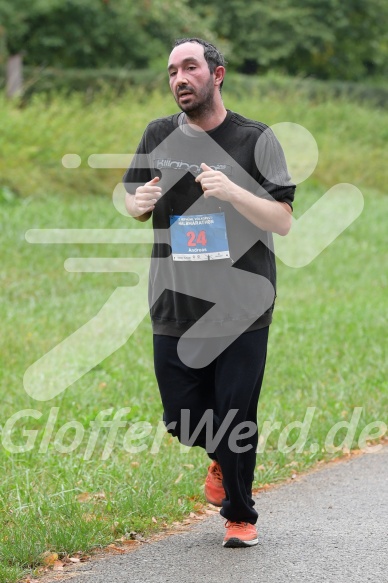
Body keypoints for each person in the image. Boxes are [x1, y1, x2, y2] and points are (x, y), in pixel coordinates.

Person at [124, 38, 295, 548]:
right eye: (173, 70)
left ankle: (240, 516)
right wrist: (139, 203)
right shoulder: (158, 134)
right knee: (181, 417)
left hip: (243, 306)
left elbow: (282, 221)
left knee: (237, 415)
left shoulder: (255, 139)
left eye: (190, 67)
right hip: (175, 302)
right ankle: (219, 457)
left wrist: (232, 190)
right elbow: (133, 201)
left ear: (216, 75)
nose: (180, 77)